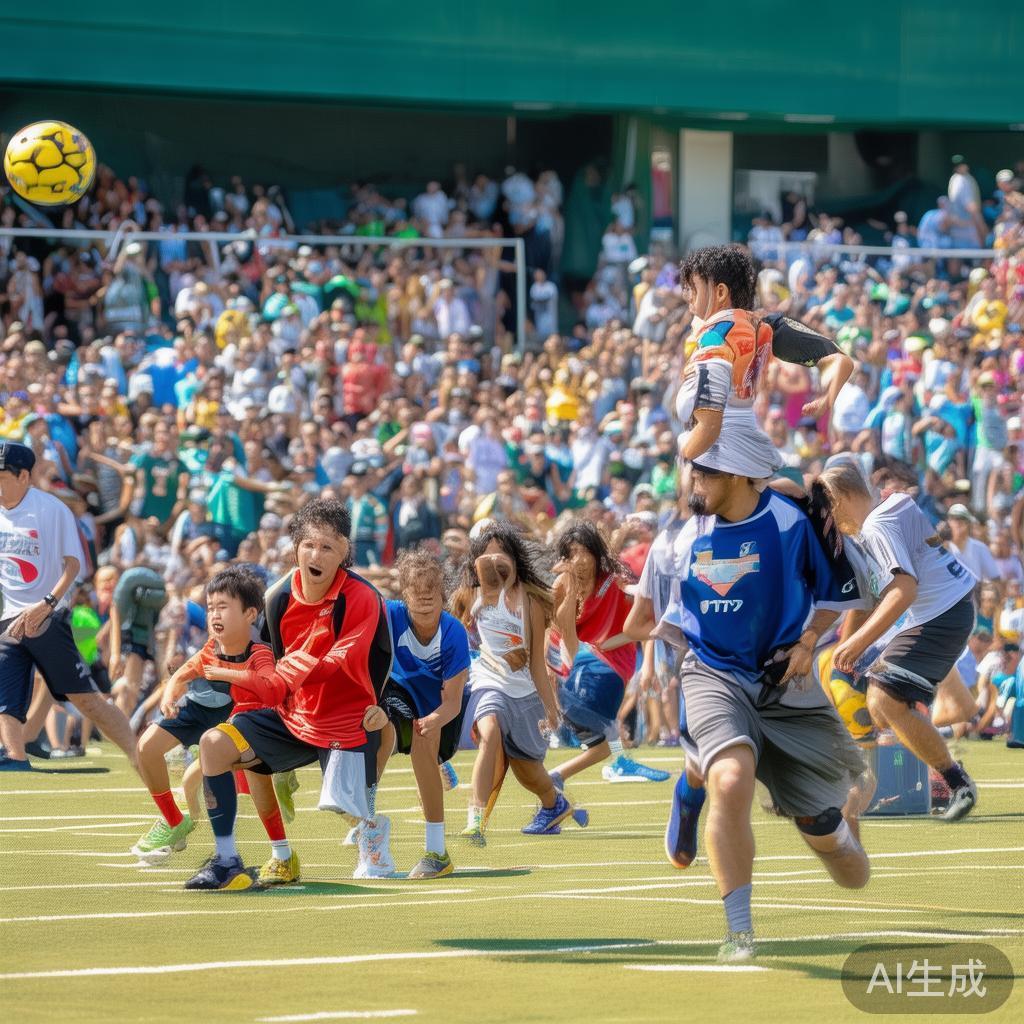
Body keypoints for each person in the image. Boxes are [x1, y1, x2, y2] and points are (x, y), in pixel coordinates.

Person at [647, 456, 870, 962]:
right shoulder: (678, 538)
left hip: (785, 682)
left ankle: (692, 784)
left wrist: (809, 640)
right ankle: (739, 932)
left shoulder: (794, 519)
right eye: (693, 469)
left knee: (845, 863)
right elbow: (654, 617)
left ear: (741, 473)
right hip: (712, 673)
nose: (693, 479)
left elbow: (839, 592)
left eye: (706, 470)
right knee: (730, 777)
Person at [183, 498, 393, 890]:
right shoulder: (277, 596)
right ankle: (238, 860)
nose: (316, 554)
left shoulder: (362, 597)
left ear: (345, 553)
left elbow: (339, 662)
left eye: (328, 547)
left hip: (347, 718)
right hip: (292, 713)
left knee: (346, 806)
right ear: (295, 545)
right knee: (214, 744)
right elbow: (271, 661)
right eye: (309, 544)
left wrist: (287, 673)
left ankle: (372, 832)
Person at [821, 463, 979, 821]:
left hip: (940, 614)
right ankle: (932, 776)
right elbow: (870, 596)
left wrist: (855, 644)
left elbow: (903, 591)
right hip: (946, 609)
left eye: (828, 508)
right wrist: (847, 651)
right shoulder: (889, 509)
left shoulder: (876, 526)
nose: (829, 520)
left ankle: (953, 782)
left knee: (883, 698)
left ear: (842, 498)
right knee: (882, 707)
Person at [133, 567, 299, 885]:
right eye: (210, 608)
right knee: (147, 747)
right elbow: (183, 672)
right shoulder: (211, 648)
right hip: (201, 712)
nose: (214, 614)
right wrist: (169, 694)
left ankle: (282, 853)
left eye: (223, 607)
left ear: (251, 614)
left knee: (247, 778)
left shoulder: (259, 652)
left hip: (244, 723)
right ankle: (176, 823)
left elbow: (269, 686)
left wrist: (225, 674)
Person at [0, 442, 138, 772]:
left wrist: (45, 604)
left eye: (2, 476)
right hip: (8, 619)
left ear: (23, 476)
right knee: (5, 696)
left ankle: (140, 751)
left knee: (85, 698)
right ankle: (15, 759)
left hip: (46, 618)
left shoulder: (51, 510)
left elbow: (74, 566)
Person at [452, 522, 579, 844]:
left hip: (525, 694)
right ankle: (475, 818)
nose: (494, 562)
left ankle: (554, 804)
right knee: (489, 731)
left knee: (529, 772)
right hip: (489, 681)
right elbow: (454, 635)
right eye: (486, 555)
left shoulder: (531, 602)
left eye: (500, 555)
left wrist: (552, 709)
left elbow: (537, 662)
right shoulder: (471, 596)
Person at [675, 245, 853, 470]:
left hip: (721, 463)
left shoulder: (720, 337)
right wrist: (828, 397)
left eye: (693, 288)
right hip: (752, 456)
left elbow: (709, 427)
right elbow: (840, 360)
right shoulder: (761, 327)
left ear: (720, 292)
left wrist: (684, 459)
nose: (687, 296)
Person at [547, 521, 670, 794]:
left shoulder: (613, 581)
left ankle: (610, 762)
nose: (578, 559)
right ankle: (614, 761)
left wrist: (640, 659)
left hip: (612, 658)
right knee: (603, 733)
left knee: (604, 731)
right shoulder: (562, 585)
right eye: (572, 552)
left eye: (584, 551)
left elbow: (648, 622)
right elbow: (559, 631)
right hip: (581, 657)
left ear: (594, 553)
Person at [377, 549, 470, 878]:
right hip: (401, 696)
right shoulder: (389, 614)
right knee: (373, 723)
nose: (424, 596)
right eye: (416, 590)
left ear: (443, 593)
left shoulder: (454, 633)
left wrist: (432, 721)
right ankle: (364, 816)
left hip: (442, 708)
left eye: (431, 589)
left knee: (424, 742)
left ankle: (437, 852)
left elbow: (453, 703)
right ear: (404, 594)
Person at [108, 566, 168, 717]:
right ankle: (120, 724)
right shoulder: (132, 597)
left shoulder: (138, 601)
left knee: (132, 688)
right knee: (129, 686)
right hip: (133, 642)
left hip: (137, 642)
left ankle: (122, 723)